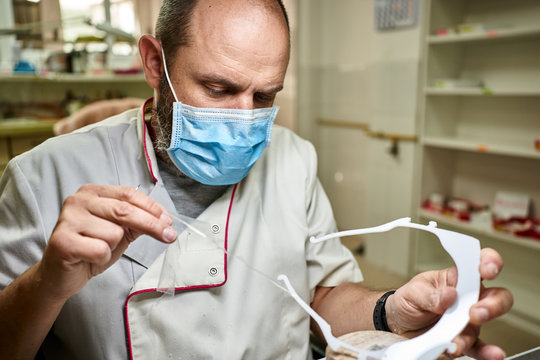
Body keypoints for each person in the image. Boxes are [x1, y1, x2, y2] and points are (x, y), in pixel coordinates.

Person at [0, 0, 512, 359]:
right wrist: (46, 284)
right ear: (156, 63)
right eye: (219, 88)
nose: (244, 120)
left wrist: (391, 310)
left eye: (264, 97)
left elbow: (323, 298)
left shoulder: (293, 160)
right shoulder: (43, 176)